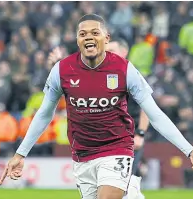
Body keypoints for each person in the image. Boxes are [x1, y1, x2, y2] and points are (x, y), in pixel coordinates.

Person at [0, 14, 193, 199]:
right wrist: (20, 154)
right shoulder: (62, 70)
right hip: (82, 155)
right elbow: (44, 114)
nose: (89, 37)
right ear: (77, 40)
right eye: (83, 34)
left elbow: (155, 114)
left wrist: (189, 151)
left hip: (117, 149)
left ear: (106, 37)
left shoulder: (124, 69)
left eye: (95, 32)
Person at [47, 38, 149, 199]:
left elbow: (147, 108)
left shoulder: (130, 74)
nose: (108, 54)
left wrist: (141, 134)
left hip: (127, 138)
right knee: (116, 186)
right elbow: (76, 78)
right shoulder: (102, 74)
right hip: (103, 139)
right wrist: (59, 64)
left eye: (113, 50)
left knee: (125, 183)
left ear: (124, 52)